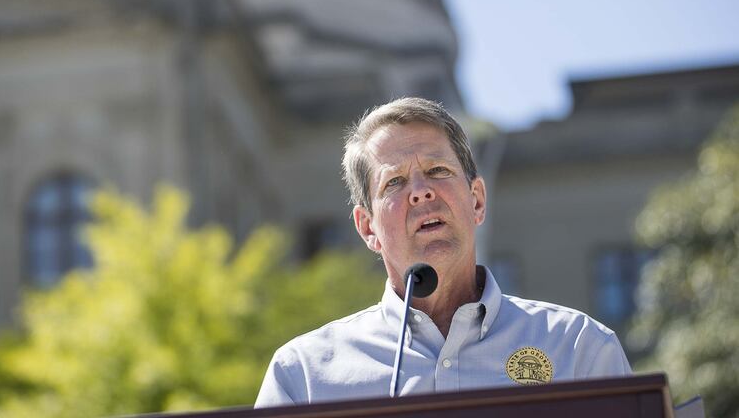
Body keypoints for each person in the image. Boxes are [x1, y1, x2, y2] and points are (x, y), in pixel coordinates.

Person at [254, 97, 631, 407]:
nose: (421, 191)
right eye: (395, 182)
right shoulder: (304, 375)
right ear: (368, 228)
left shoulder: (579, 348)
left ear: (478, 200)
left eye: (437, 170)